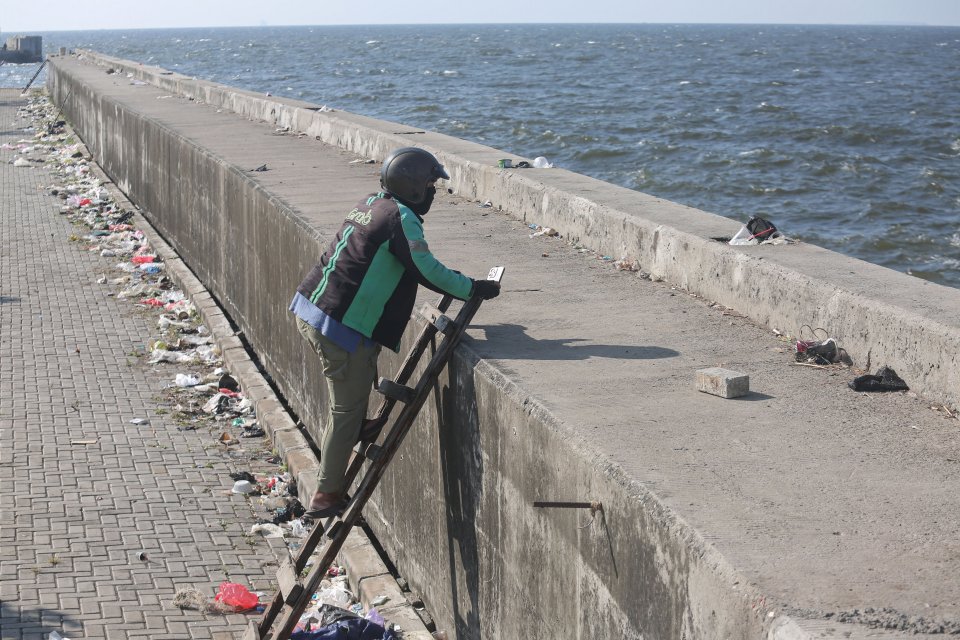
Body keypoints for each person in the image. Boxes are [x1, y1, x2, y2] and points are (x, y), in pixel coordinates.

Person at [289, 147, 501, 518]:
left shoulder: (371, 203)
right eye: (431, 184)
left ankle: (356, 430)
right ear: (415, 186)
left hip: (313, 307)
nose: (434, 191)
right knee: (345, 409)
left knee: (357, 378)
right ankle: (325, 495)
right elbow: (425, 269)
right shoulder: (400, 218)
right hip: (338, 323)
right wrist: (472, 288)